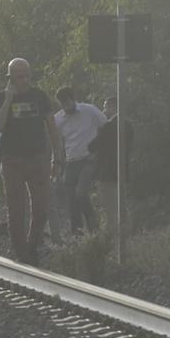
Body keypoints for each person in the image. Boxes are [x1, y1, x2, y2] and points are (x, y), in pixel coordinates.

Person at [0, 58, 65, 266]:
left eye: (27, 76)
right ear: (10, 78)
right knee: (15, 211)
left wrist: (57, 158)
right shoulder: (0, 98)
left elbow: (52, 128)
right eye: (19, 77)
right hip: (12, 160)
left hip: (38, 159)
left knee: (41, 208)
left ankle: (31, 246)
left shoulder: (40, 97)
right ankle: (22, 256)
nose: (24, 80)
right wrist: (8, 99)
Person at [54, 87, 108, 235]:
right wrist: (57, 162)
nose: (66, 106)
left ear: (73, 99)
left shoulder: (89, 110)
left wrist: (99, 151)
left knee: (81, 193)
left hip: (89, 160)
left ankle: (94, 226)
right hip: (71, 162)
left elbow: (107, 127)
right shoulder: (58, 119)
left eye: (67, 102)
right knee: (71, 201)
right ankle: (77, 233)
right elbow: (57, 143)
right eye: (62, 103)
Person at [88, 96, 134, 244]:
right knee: (122, 207)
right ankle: (125, 240)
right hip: (121, 172)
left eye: (105, 106)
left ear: (112, 107)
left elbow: (92, 146)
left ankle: (112, 242)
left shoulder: (107, 126)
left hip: (106, 173)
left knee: (110, 209)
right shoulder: (128, 125)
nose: (103, 110)